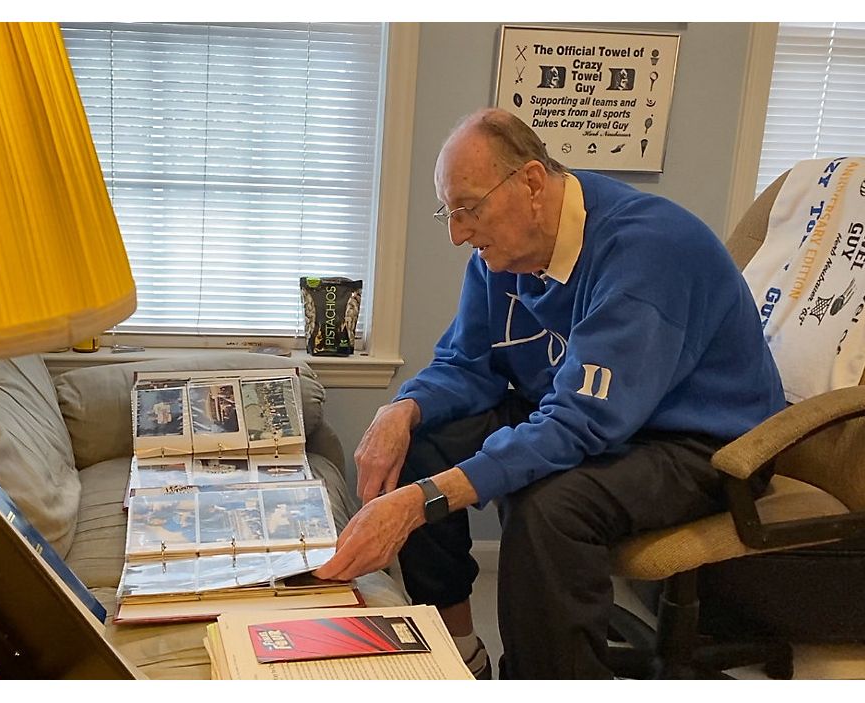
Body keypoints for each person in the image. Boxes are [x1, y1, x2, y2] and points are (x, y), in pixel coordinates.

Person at [313, 107, 784, 679]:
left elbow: (580, 423)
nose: (458, 234)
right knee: (425, 438)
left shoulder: (650, 251)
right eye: (449, 213)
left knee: (548, 506)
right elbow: (467, 363)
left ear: (532, 184)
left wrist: (422, 502)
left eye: (468, 209)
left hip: (703, 445)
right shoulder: (501, 254)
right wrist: (401, 409)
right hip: (586, 415)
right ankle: (461, 654)